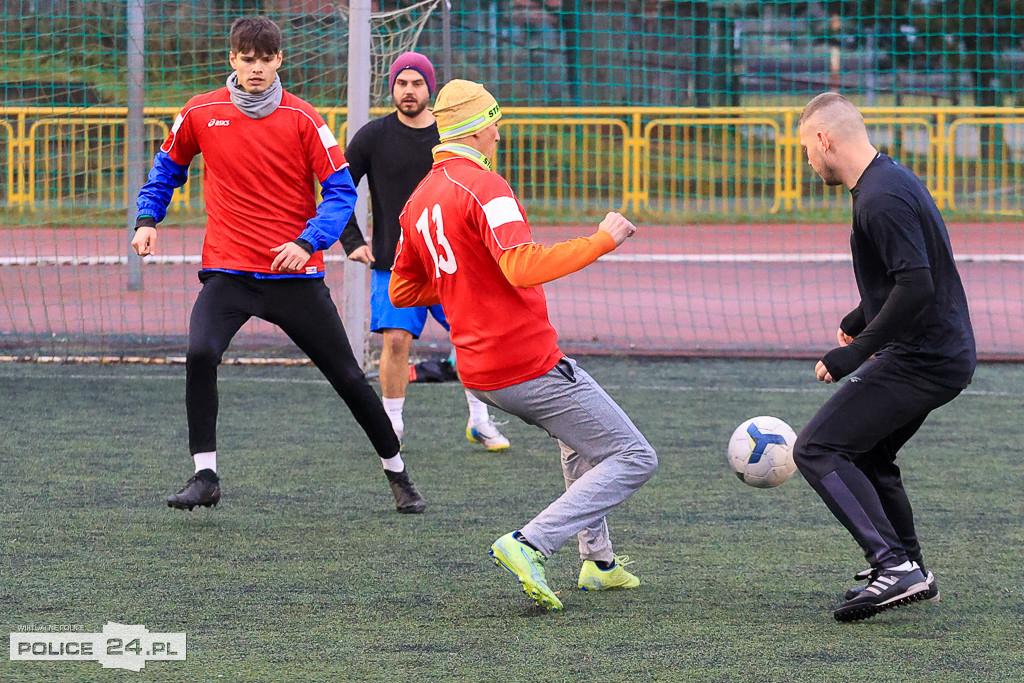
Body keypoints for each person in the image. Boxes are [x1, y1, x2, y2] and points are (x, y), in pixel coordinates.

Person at [130, 16, 426, 515]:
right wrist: (146, 218)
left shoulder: (305, 119)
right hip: (230, 271)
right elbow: (167, 168)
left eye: (266, 61)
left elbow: (339, 193)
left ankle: (398, 474)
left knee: (349, 378)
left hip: (295, 277)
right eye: (248, 60)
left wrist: (308, 241)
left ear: (279, 61)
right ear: (232, 59)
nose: (257, 70)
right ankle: (205, 475)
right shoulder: (201, 112)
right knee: (200, 353)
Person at [389, 79, 658, 611]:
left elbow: (403, 289)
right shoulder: (486, 187)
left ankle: (599, 563)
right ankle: (530, 542)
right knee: (634, 456)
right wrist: (603, 239)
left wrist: (462, 279)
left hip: (479, 371)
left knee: (580, 440)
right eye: (494, 122)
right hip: (523, 362)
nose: (498, 132)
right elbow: (522, 264)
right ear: (479, 126)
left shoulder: (419, 199)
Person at [793, 92, 976, 622]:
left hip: (924, 358)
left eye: (807, 148)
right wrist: (860, 317)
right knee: (869, 456)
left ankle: (893, 564)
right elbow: (905, 275)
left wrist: (855, 353)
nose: (807, 161)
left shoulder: (879, 198)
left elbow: (916, 285)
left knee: (817, 448)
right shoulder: (887, 178)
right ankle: (912, 570)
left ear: (825, 140)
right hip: (939, 351)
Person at [339, 52, 510, 452]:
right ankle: (392, 428)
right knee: (396, 340)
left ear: (429, 89)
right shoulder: (372, 137)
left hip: (453, 261)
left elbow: (479, 190)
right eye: (402, 83)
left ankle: (480, 421)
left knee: (471, 338)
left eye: (417, 83)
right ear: (392, 87)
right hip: (395, 264)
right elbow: (339, 188)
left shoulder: (451, 136)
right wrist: (352, 241)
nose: (409, 91)